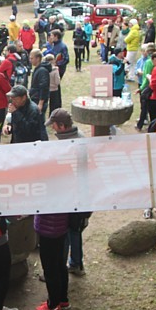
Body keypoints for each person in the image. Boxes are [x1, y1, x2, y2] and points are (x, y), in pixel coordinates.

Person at [45, 109, 90, 276]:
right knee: (74, 231)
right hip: (76, 195)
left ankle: (61, 267)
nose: (53, 129)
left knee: (66, 231)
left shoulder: (70, 145)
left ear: (62, 126)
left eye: (54, 125)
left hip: (72, 196)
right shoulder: (81, 138)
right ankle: (76, 263)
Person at [34, 209, 70, 310]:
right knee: (60, 264)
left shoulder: (47, 192)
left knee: (50, 268)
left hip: (48, 229)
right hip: (62, 226)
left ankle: (53, 305)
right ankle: (63, 299)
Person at [135, 44, 156, 131]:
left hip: (147, 87)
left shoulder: (148, 62)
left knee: (144, 106)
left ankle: (140, 124)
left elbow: (146, 77)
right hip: (153, 86)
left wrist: (141, 89)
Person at [28, 49, 51, 118]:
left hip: (38, 100)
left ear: (37, 58)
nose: (30, 60)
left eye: (32, 58)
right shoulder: (37, 69)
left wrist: (40, 103)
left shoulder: (42, 71)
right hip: (34, 97)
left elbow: (44, 87)